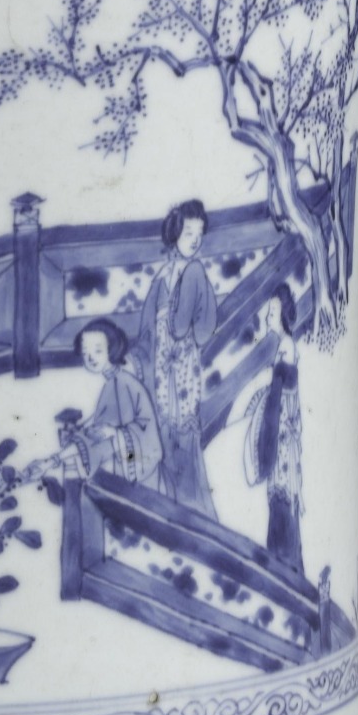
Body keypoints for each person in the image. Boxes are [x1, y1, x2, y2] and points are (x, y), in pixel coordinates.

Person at [128, 199, 218, 517]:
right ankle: (175, 512)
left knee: (181, 440)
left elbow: (191, 329)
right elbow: (148, 332)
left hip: (181, 374)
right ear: (175, 233)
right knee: (168, 442)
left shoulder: (193, 272)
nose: (195, 240)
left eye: (199, 234)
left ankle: (192, 513)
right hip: (161, 373)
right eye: (188, 232)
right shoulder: (164, 278)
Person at [24, 320, 163, 488]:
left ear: (111, 349)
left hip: (139, 470)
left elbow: (139, 432)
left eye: (97, 350)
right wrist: (50, 461)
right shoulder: (112, 383)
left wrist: (113, 433)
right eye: (85, 352)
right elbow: (98, 431)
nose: (90, 358)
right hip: (121, 460)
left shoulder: (123, 383)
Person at [229, 285, 305, 571]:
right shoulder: (283, 347)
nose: (268, 316)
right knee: (279, 494)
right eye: (269, 311)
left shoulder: (287, 347)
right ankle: (283, 560)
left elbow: (282, 392)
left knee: (281, 494)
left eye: (273, 311)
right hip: (283, 431)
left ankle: (284, 561)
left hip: (283, 435)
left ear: (283, 314)